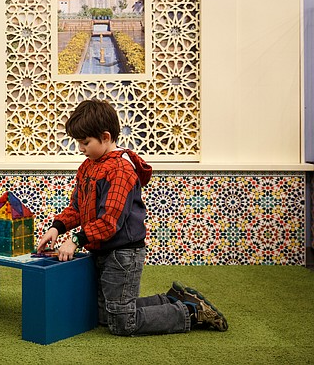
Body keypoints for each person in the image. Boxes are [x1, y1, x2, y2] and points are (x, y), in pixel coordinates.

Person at [36, 98, 228, 335]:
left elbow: (110, 222)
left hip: (122, 254)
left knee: (122, 323)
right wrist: (57, 227)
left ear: (105, 137)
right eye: (79, 143)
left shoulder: (121, 170)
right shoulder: (88, 166)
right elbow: (77, 207)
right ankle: (171, 299)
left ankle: (190, 311)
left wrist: (76, 240)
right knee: (107, 315)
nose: (81, 148)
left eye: (85, 142)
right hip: (101, 250)